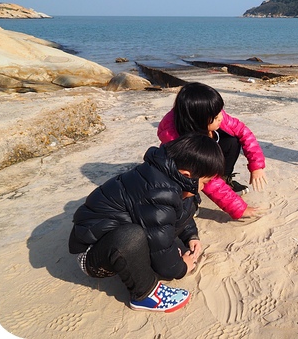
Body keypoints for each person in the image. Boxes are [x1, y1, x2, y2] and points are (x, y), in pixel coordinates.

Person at [68, 133, 223, 312]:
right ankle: (145, 294)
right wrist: (181, 267)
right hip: (93, 254)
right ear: (186, 175)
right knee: (131, 237)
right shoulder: (157, 192)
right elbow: (163, 255)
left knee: (188, 198)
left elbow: (181, 210)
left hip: (114, 235)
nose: (205, 187)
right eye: (205, 182)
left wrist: (190, 235)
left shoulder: (173, 180)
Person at [157, 82, 266, 220]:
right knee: (184, 177)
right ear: (198, 121)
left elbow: (244, 132)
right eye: (215, 117)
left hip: (201, 142)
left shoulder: (211, 113)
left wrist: (256, 166)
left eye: (220, 111)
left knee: (232, 140)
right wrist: (239, 208)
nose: (221, 117)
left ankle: (225, 178)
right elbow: (211, 182)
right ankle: (190, 196)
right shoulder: (177, 139)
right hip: (182, 166)